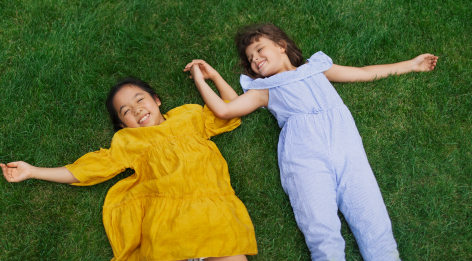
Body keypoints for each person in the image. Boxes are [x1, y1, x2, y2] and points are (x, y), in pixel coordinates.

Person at [184, 23, 438, 261]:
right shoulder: (263, 89)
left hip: (349, 153)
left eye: (259, 49)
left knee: (376, 225)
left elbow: (363, 73)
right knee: (323, 236)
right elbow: (225, 111)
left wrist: (411, 65)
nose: (255, 59)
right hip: (305, 160)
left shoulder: (317, 67)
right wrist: (205, 78)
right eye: (250, 59)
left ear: (281, 46)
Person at [0, 77, 257, 261]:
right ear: (123, 126)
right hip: (169, 224)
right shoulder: (129, 142)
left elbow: (232, 108)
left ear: (156, 100)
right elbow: (86, 170)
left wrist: (209, 75)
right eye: (126, 111)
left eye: (140, 99)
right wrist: (33, 171)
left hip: (216, 214)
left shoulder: (189, 116)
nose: (136, 109)